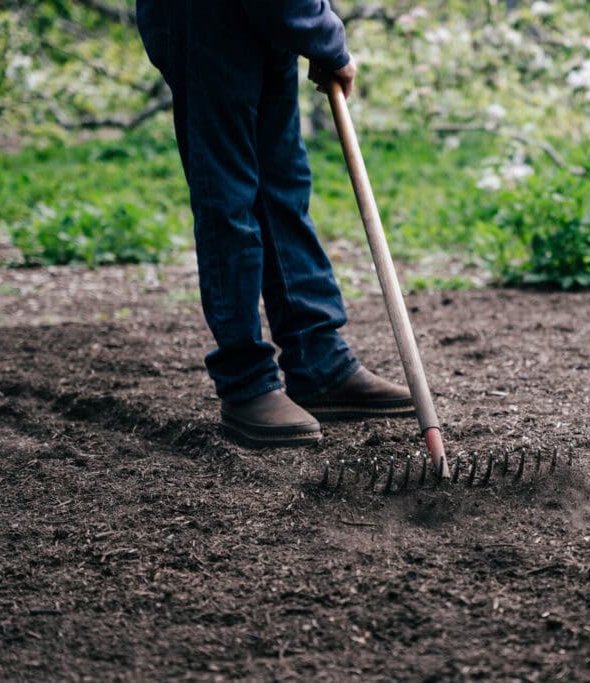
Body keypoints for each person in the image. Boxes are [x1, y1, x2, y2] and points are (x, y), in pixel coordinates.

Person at [135, 0, 413, 448]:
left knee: (282, 186)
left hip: (263, 18)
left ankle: (318, 365)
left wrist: (314, 31)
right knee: (229, 199)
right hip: (203, 19)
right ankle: (247, 381)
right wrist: (327, 40)